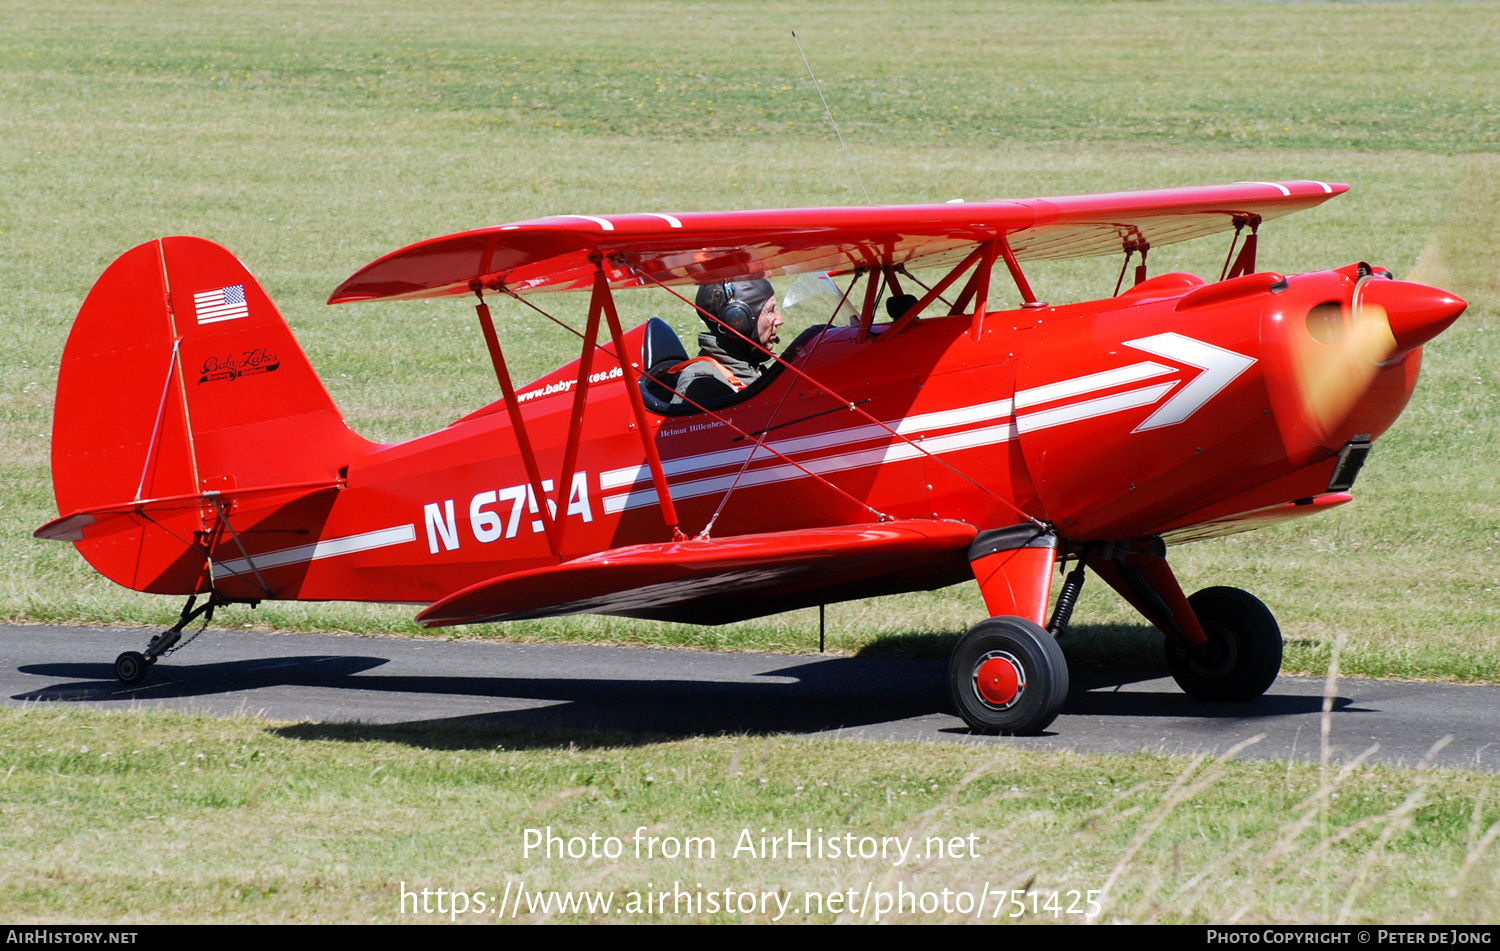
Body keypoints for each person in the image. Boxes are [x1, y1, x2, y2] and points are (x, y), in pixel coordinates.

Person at [671, 279, 785, 405]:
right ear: (737, 321)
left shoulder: (752, 366)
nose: (780, 320)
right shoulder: (703, 383)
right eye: (771, 310)